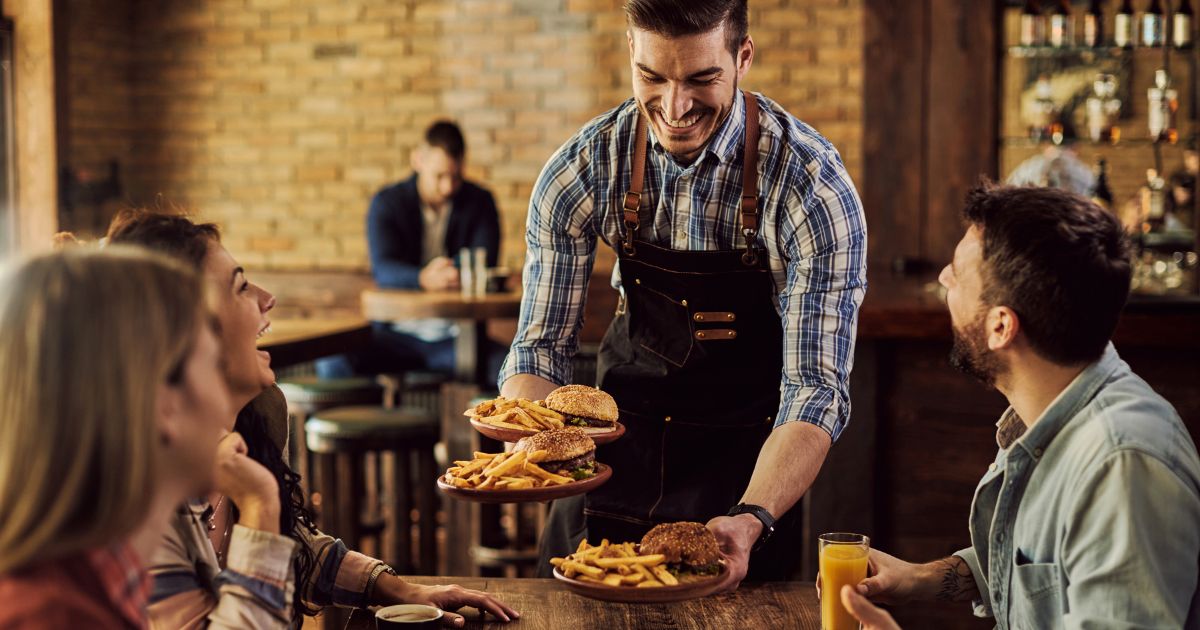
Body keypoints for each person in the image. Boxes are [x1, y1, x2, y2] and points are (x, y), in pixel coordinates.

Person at [500, 0, 867, 588]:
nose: (674, 107)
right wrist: (537, 450)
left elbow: (815, 391)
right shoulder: (585, 167)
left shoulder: (810, 185)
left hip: (745, 483)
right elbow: (541, 350)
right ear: (630, 51)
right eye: (653, 77)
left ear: (742, 57)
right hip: (608, 469)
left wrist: (752, 517)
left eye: (701, 79)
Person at [107, 210, 518, 628]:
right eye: (240, 287)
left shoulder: (253, 421)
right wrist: (259, 502)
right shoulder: (136, 502)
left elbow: (295, 546)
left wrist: (403, 590)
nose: (267, 298)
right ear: (183, 331)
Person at [840, 184, 1200, 628]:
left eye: (957, 274)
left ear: (1001, 326)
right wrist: (921, 578)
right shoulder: (1052, 410)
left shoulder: (1122, 467)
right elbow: (1043, 563)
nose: (944, 280)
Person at [0, 247, 229, 628]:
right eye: (215, 366)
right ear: (163, 402)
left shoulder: (88, 586)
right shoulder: (55, 618)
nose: (226, 406)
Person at [317, 120, 506, 382]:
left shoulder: (480, 201)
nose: (448, 187)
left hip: (458, 337)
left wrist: (451, 275)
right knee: (333, 361)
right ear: (418, 160)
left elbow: (484, 262)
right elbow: (383, 269)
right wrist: (423, 278)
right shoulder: (387, 202)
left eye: (456, 176)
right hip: (395, 335)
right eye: (439, 176)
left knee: (513, 371)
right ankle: (376, 422)